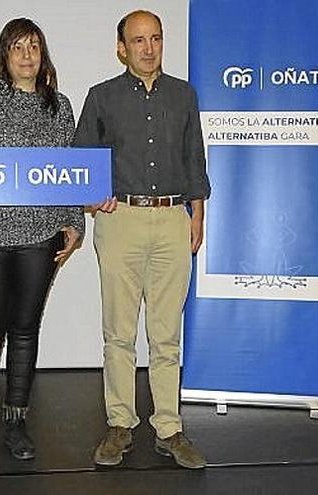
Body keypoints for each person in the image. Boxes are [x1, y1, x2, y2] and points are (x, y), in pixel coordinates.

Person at [74, 10, 211, 469]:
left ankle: (169, 427)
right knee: (119, 331)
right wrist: (94, 200)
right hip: (121, 223)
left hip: (173, 218)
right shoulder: (101, 97)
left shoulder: (183, 95)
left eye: (155, 38)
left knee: (167, 334)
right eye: (138, 40)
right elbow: (80, 162)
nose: (148, 48)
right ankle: (120, 423)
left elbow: (195, 157)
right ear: (121, 48)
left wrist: (197, 212)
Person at [0, 18, 84, 461]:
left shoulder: (59, 106)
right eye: (17, 47)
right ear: (3, 56)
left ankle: (16, 420)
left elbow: (68, 170)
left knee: (25, 331)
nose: (26, 55)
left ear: (42, 54)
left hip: (39, 236)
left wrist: (75, 224)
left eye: (34, 46)